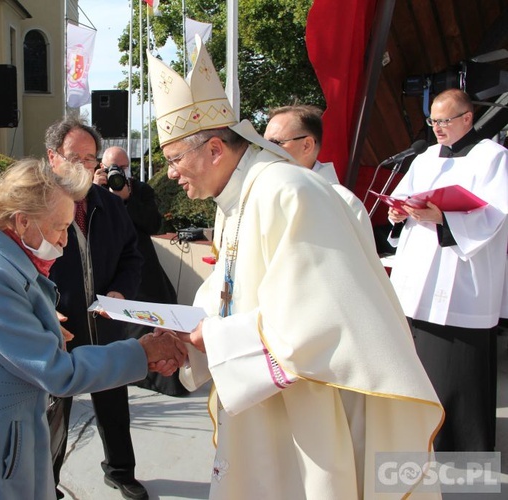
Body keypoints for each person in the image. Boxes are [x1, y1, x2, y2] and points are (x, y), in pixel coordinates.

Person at [147, 35, 443, 498]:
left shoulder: (287, 193)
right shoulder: (236, 199)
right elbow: (228, 291)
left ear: (215, 151)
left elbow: (323, 318)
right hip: (265, 404)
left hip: (310, 407)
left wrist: (216, 338)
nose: (170, 173)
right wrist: (185, 335)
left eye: (173, 159)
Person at [0, 158, 185, 499]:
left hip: (3, 433)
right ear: (22, 220)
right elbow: (58, 373)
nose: (63, 242)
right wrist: (143, 352)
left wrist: (40, 329)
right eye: (59, 227)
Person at [387, 88, 508, 452]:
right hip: (418, 281)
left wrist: (444, 218)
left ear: (467, 118)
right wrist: (397, 214)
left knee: (460, 378)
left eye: (445, 120)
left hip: (461, 283)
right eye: (433, 121)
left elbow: (496, 215)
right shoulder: (424, 158)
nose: (437, 128)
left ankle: (464, 462)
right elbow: (405, 197)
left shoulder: (493, 157)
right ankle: (417, 453)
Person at [45, 118, 149, 500]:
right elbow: (19, 268)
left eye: (91, 160)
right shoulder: (35, 205)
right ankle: (46, 484)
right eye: (75, 157)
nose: (84, 167)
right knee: (54, 415)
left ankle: (120, 471)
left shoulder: (108, 204)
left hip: (105, 327)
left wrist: (121, 293)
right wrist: (42, 310)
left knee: (114, 405)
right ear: (53, 157)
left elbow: (131, 256)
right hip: (58, 331)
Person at [98, 146, 186, 397]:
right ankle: (127, 369)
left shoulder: (141, 190)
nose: (118, 172)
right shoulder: (95, 192)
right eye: (112, 168)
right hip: (111, 267)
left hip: (143, 264)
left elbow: (153, 224)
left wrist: (127, 198)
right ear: (101, 169)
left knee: (156, 316)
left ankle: (159, 377)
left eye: (123, 167)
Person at [264, 104, 373, 232]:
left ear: (307, 145)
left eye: (274, 143)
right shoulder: (264, 193)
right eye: (263, 144)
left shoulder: (345, 203)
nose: (266, 151)